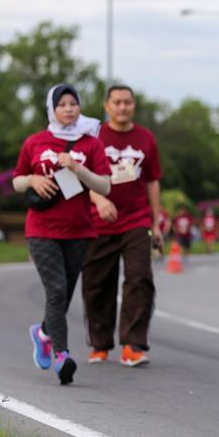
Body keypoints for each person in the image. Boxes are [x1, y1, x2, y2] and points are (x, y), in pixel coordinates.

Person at [13, 84, 111, 385]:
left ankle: (43, 332)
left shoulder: (90, 144)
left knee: (65, 292)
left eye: (73, 103)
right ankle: (61, 355)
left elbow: (105, 186)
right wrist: (32, 179)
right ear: (51, 109)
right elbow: (16, 181)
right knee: (56, 290)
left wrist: (77, 168)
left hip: (79, 229)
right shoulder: (35, 142)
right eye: (62, 104)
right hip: (41, 229)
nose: (69, 108)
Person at [81, 85, 162, 367]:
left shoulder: (145, 138)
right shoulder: (94, 136)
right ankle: (100, 344)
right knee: (96, 283)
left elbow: (152, 180)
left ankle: (133, 344)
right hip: (97, 220)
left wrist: (156, 221)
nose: (123, 107)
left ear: (134, 105)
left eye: (127, 102)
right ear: (106, 105)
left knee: (139, 277)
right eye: (117, 102)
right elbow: (81, 175)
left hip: (137, 219)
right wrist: (98, 199)